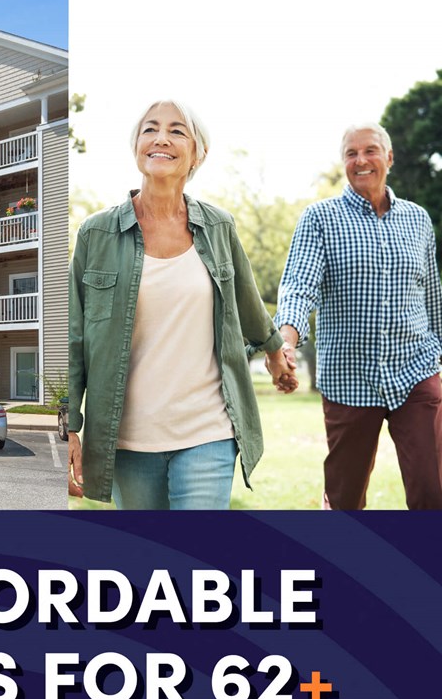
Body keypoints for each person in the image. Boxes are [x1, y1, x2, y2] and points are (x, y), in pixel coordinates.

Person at [68, 100, 297, 509]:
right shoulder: (96, 234)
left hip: (207, 428)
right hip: (127, 438)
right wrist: (69, 426)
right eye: (150, 129)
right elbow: (74, 338)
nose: (161, 138)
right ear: (136, 146)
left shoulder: (218, 227)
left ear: (197, 153)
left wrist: (276, 352)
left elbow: (247, 303)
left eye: (177, 131)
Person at [274, 123, 442, 510]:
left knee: (432, 492)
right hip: (349, 376)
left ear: (389, 157)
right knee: (345, 499)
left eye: (370, 150)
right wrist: (286, 341)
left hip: (416, 368)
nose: (361, 160)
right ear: (343, 163)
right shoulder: (320, 218)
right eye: (351, 153)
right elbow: (299, 287)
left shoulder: (417, 220)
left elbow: (431, 294)